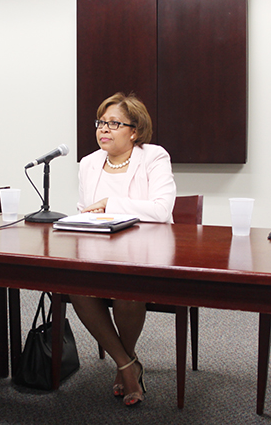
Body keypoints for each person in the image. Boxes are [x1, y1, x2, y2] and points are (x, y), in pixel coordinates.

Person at [70, 92, 176, 407]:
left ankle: (124, 365)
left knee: (126, 288)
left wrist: (109, 204)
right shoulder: (88, 163)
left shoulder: (154, 157)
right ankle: (128, 364)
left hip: (147, 252)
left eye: (114, 123)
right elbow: (82, 210)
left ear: (134, 131)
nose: (104, 129)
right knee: (76, 286)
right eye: (101, 122)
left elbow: (160, 209)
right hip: (98, 251)